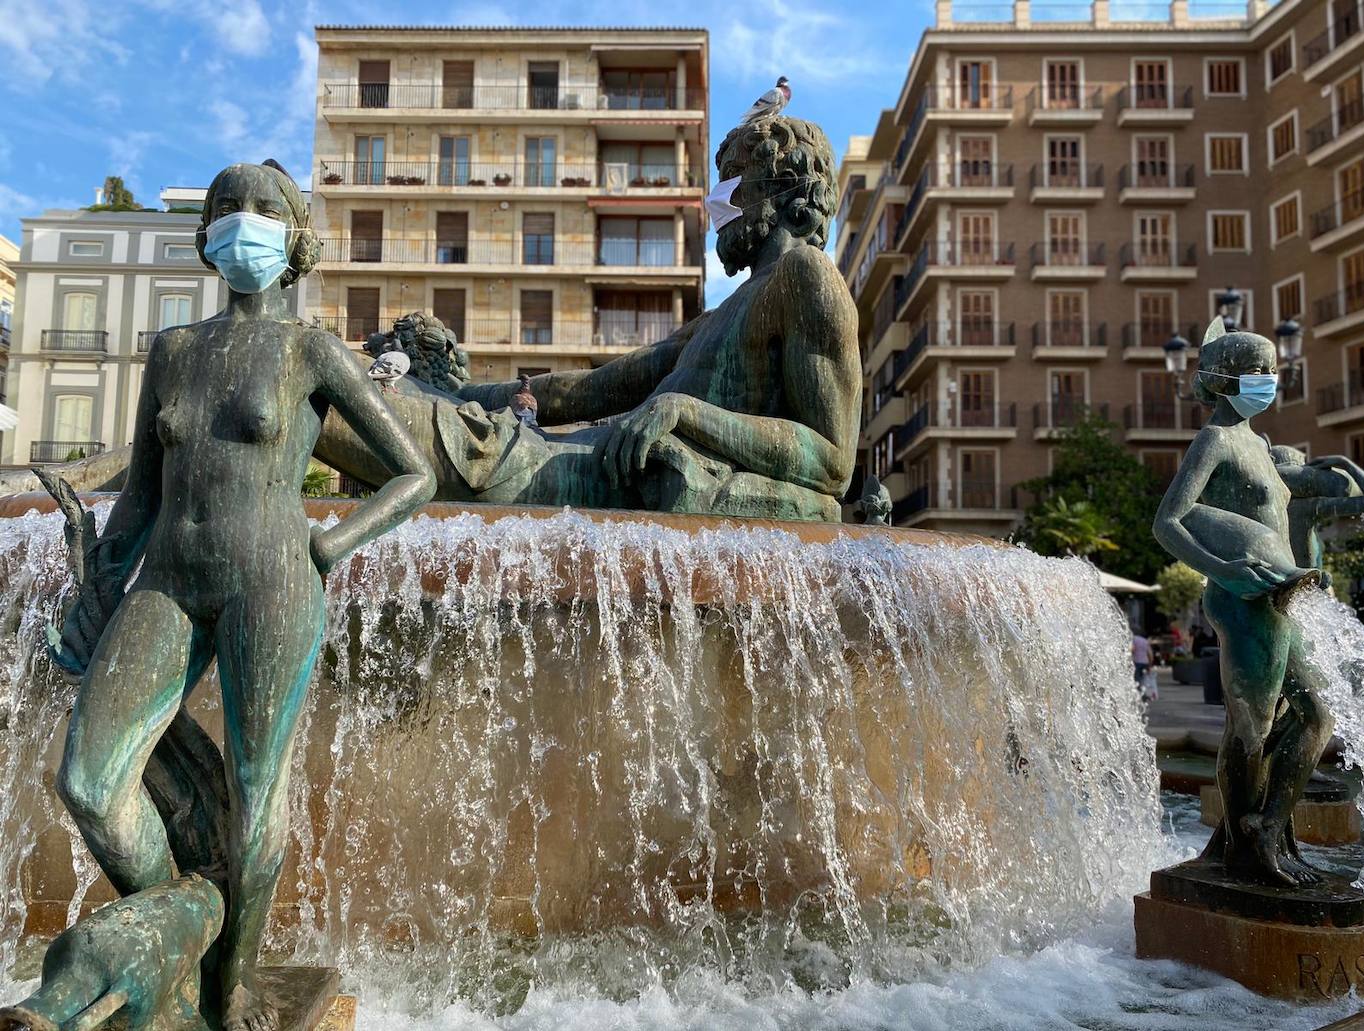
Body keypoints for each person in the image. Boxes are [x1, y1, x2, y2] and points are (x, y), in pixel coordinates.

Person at [51, 160, 436, 1031]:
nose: (240, 221)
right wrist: (101, 583)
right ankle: (183, 925)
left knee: (257, 801)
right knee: (88, 780)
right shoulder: (175, 351)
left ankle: (235, 988)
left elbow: (413, 477)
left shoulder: (311, 351)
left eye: (263, 209)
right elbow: (143, 496)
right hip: (168, 582)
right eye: (226, 207)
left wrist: (331, 542)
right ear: (207, 233)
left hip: (273, 581)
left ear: (294, 239)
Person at [312, 115, 862, 523]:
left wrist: (685, 413)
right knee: (460, 420)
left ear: (784, 188)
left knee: (468, 448)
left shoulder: (809, 278)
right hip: (592, 455)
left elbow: (832, 461)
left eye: (734, 176)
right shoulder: (722, 315)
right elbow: (592, 389)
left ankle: (312, 383)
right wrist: (462, 391)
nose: (717, 200)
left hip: (608, 474)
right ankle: (335, 385)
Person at [1153, 319, 1332, 887]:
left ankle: (1266, 825)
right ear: (1225, 379)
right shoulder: (1217, 440)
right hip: (1243, 597)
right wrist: (1224, 569)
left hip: (1280, 596)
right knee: (1249, 728)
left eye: (1273, 370)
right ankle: (1245, 851)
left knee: (1315, 719)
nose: (1270, 380)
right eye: (1259, 371)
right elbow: (1169, 521)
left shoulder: (1256, 443)